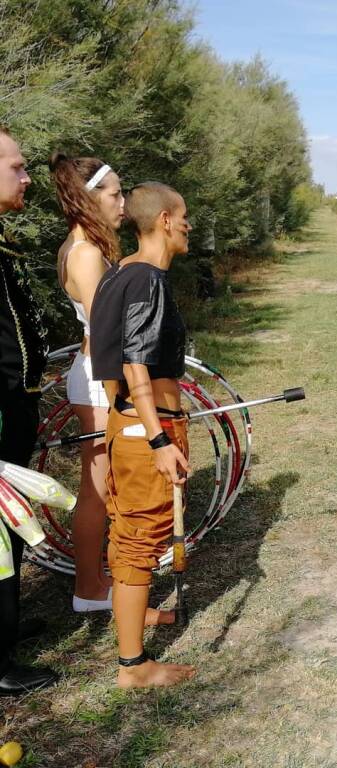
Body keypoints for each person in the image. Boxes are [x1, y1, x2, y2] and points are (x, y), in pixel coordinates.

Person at [90, 181, 195, 688]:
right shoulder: (148, 279)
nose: (190, 226)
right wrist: (158, 439)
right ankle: (133, 667)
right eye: (185, 217)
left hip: (125, 424)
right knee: (139, 540)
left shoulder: (120, 274)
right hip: (143, 427)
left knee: (126, 531)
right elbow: (134, 362)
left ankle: (133, 627)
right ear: (165, 221)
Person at [50, 153, 123, 612]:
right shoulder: (86, 253)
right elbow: (106, 331)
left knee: (103, 486)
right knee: (96, 492)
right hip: (99, 382)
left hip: (96, 377)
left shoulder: (79, 246)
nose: (122, 202)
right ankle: (89, 590)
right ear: (89, 197)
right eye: (114, 193)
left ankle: (97, 581)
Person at [0, 127, 59, 695]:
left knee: (10, 521)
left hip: (14, 407)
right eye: (15, 167)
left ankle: (6, 631)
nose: (26, 176)